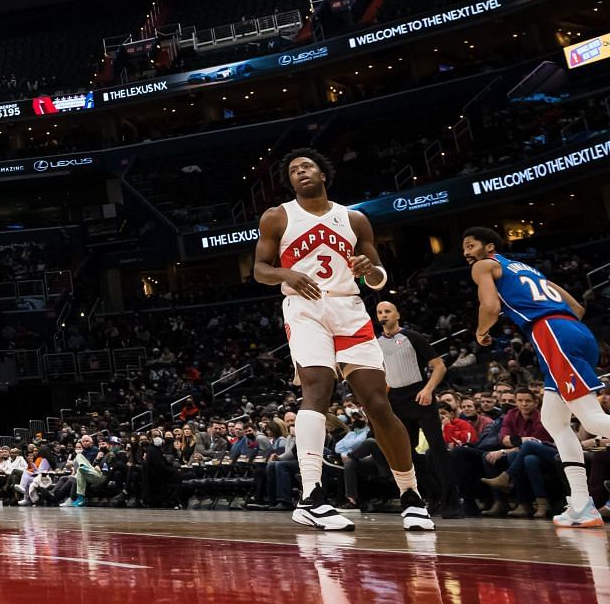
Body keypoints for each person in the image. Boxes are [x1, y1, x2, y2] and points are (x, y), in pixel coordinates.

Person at [250, 148, 431, 532]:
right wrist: (288, 275)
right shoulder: (278, 216)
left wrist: (371, 272)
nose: (300, 172)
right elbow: (260, 270)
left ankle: (411, 496)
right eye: (293, 170)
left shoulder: (354, 218)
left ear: (323, 174)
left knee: (378, 403)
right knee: (317, 387)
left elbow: (379, 277)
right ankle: (311, 497)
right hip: (305, 308)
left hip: (349, 307)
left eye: (307, 167)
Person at [465, 226, 610, 527]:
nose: (466, 253)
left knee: (592, 418)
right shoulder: (529, 270)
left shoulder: (484, 265)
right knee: (555, 421)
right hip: (576, 332)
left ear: (489, 248)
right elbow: (578, 308)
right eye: (463, 248)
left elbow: (490, 308)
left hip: (551, 334)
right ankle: (582, 505)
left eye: (470, 245)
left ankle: (584, 506)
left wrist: (480, 332)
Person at [373, 300, 453, 516]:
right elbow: (385, 374)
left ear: (397, 314)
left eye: (388, 311)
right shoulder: (375, 342)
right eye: (380, 312)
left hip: (419, 395)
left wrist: (428, 390)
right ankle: (430, 496)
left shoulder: (412, 337)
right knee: (405, 453)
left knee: (437, 449)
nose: (383, 315)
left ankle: (452, 502)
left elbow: (439, 366)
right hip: (396, 399)